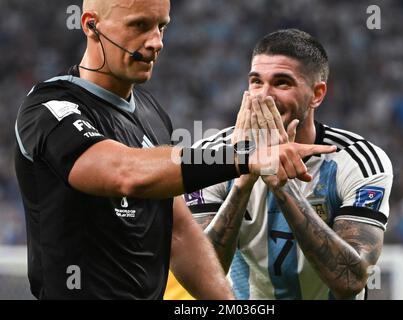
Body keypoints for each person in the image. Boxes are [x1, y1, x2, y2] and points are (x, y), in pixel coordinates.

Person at [14, 0, 334, 299]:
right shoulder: (49, 108)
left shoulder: (151, 113)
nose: (156, 42)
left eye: (161, 26)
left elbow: (180, 234)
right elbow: (124, 173)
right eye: (139, 26)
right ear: (90, 25)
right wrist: (241, 157)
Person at [183, 29, 394, 300]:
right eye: (256, 82)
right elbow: (200, 275)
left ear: (317, 94)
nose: (264, 95)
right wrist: (243, 175)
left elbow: (351, 280)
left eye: (282, 83)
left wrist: (282, 187)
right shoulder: (208, 156)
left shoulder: (360, 162)